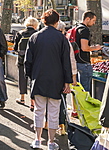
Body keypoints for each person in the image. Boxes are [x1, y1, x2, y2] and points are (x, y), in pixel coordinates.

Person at [24, 9, 72, 150]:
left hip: (38, 78)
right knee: (53, 111)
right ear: (57, 22)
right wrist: (67, 82)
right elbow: (66, 62)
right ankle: (51, 142)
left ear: (43, 21)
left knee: (39, 110)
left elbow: (28, 60)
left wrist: (31, 77)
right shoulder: (62, 38)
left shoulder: (35, 37)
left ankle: (37, 139)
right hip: (56, 80)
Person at [13, 16, 38, 111]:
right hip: (34, 61)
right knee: (33, 80)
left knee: (22, 78)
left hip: (21, 60)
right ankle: (33, 102)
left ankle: (22, 98)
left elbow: (15, 48)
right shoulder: (37, 34)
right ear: (35, 25)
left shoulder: (20, 33)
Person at [75, 11, 102, 92]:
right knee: (85, 91)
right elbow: (85, 48)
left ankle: (77, 105)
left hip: (75, 61)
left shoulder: (76, 28)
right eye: (93, 20)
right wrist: (96, 48)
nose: (94, 23)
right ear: (87, 19)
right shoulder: (84, 30)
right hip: (84, 63)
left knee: (78, 91)